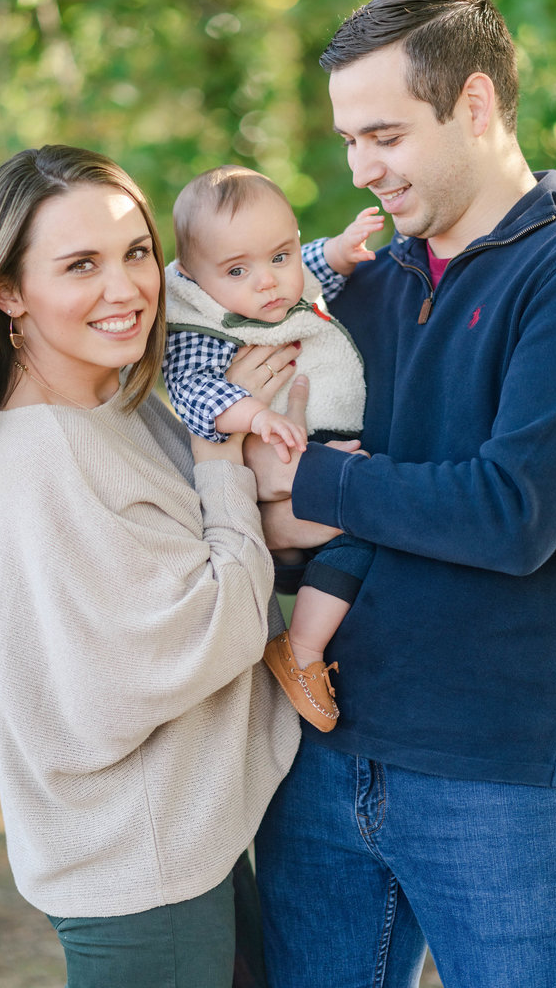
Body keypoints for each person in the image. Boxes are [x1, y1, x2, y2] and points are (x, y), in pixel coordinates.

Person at [245, 0, 556, 988]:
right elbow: (284, 516)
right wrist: (283, 498)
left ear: (474, 103)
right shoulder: (364, 289)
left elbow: (509, 514)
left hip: (498, 777)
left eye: (384, 135)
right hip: (320, 753)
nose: (361, 168)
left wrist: (312, 481)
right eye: (349, 140)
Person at [0, 144, 301, 988]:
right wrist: (219, 452)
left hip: (182, 838)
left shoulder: (111, 401)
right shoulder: (52, 448)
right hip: (140, 865)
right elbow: (213, 628)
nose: (126, 288)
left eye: (136, 252)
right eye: (80, 265)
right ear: (9, 291)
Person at [163, 164, 383, 731]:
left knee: (357, 542)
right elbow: (195, 392)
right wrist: (255, 413)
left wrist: (339, 250)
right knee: (359, 535)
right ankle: (301, 650)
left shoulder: (276, 284)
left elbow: (308, 267)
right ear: (190, 275)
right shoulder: (196, 324)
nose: (268, 282)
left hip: (316, 447)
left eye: (278, 256)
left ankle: (303, 609)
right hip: (271, 453)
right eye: (238, 269)